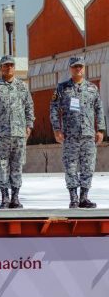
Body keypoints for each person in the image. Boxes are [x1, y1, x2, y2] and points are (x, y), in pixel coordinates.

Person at [50, 56, 105, 208]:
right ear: (70, 69)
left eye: (80, 66)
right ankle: (73, 198)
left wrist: (100, 129)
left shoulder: (92, 88)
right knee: (71, 167)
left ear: (84, 68)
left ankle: (84, 197)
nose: (78, 69)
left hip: (88, 135)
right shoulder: (62, 88)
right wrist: (57, 129)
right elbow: (54, 109)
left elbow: (99, 109)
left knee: (88, 167)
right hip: (70, 136)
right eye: (75, 67)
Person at [0, 56, 35, 209]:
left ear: (14, 67)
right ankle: (4, 197)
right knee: (2, 166)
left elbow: (29, 107)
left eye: (11, 65)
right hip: (1, 134)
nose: (9, 68)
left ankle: (15, 197)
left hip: (19, 134)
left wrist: (29, 126)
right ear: (1, 67)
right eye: (6, 65)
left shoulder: (22, 86)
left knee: (17, 166)